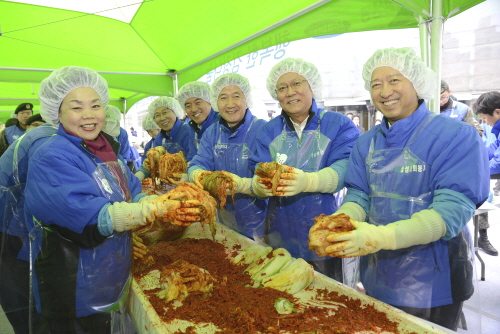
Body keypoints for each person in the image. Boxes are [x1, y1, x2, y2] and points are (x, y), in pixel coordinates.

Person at [310, 47, 489, 330]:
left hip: (436, 279)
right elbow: (359, 194)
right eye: (376, 84)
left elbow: (453, 209)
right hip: (380, 273)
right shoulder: (366, 143)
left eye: (394, 80)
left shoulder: (455, 135)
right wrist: (341, 221)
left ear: (417, 84)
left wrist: (382, 236)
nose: (384, 91)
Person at [23, 66, 202, 333]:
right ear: (56, 112)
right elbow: (91, 215)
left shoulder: (105, 151)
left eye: (95, 105)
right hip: (74, 281)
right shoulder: (52, 154)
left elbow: (133, 190)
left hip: (108, 273)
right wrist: (153, 210)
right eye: (76, 107)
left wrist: (157, 203)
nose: (88, 115)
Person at [249, 58, 360, 282]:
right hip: (280, 233)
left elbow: (346, 166)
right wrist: (259, 184)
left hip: (324, 231)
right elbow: (258, 168)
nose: (290, 92)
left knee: (325, 297)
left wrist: (309, 181)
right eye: (282, 88)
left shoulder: (338, 124)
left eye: (297, 83)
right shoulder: (269, 130)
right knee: (282, 291)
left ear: (312, 87)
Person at [189, 73, 267, 239]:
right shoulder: (211, 133)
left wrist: (242, 185)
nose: (230, 104)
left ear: (247, 100)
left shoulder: (263, 130)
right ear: (216, 103)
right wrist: (198, 174)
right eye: (223, 98)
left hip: (261, 224)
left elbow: (269, 179)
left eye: (236, 96)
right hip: (224, 221)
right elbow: (198, 163)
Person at [0, 121, 57, 334]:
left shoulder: (46, 135)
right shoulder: (46, 141)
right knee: (24, 298)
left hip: (14, 220)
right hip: (13, 225)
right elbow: (48, 197)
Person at [134, 96, 196, 182]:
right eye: (157, 115)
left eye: (165, 112)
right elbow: (152, 161)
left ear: (175, 112)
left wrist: (189, 175)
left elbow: (194, 159)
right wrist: (140, 174)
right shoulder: (159, 138)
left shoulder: (189, 131)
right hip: (166, 183)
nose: (162, 118)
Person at [473, 91, 500, 256]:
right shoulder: (496, 129)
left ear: (498, 112)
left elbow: (498, 162)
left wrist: (477, 170)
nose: (483, 121)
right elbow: (491, 150)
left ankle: (483, 237)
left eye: (484, 117)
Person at [177, 81, 220, 150]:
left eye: (198, 102)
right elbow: (192, 155)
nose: (193, 109)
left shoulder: (222, 124)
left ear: (210, 101)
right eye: (188, 106)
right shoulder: (193, 128)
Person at [103, 105, 141, 172]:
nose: (108, 126)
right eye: (106, 123)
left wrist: (120, 167)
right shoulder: (96, 131)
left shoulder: (122, 133)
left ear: (117, 122)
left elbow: (124, 155)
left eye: (112, 123)